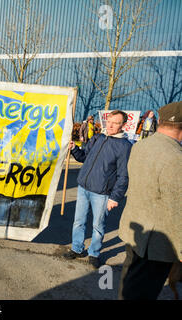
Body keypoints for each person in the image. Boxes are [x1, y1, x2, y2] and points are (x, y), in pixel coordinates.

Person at [118, 101, 181, 300]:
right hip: (156, 244)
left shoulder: (141, 146)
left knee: (129, 286)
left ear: (159, 121)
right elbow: (177, 210)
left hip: (136, 232)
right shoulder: (175, 158)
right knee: (142, 293)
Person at [63, 110, 132, 269]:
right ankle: (77, 248)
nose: (110, 125)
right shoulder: (98, 138)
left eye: (115, 123)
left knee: (98, 226)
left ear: (123, 125)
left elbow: (124, 175)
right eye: (109, 121)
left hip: (102, 194)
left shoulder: (124, 147)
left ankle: (94, 253)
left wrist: (115, 197)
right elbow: (83, 158)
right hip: (83, 187)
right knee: (78, 221)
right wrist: (74, 149)